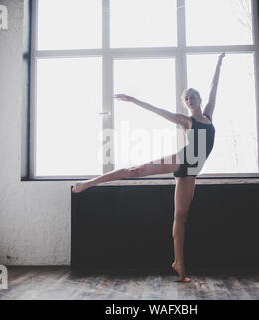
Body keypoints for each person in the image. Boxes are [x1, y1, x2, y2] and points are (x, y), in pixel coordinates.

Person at [72, 52, 226, 282]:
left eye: (193, 96)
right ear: (186, 105)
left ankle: (179, 265)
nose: (190, 100)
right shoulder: (186, 121)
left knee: (181, 218)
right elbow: (158, 111)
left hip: (192, 172)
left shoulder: (208, 116)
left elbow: (214, 86)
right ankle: (88, 183)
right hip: (182, 160)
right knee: (134, 171)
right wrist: (134, 100)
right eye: (187, 99)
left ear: (200, 99)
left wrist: (219, 63)